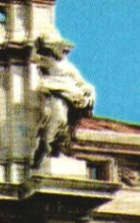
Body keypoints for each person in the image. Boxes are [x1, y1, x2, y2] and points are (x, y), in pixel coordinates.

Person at [30, 35, 95, 166]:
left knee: (65, 126)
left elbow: (81, 82)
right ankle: (42, 151)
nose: (63, 51)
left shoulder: (68, 66)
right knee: (57, 120)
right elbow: (32, 58)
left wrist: (89, 89)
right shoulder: (46, 61)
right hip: (56, 94)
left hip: (70, 98)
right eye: (61, 48)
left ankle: (55, 152)